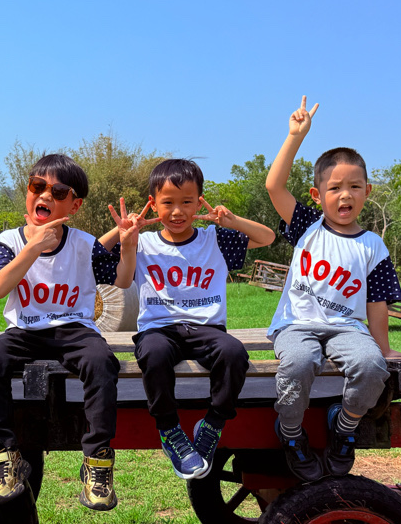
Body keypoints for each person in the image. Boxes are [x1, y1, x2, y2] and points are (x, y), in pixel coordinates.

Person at [0, 153, 131, 510]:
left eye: (58, 192)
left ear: (74, 205)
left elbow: (122, 280)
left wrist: (129, 244)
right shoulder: (10, 240)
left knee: (101, 362)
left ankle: (97, 462)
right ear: (28, 192)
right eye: (37, 186)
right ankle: (4, 458)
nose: (45, 195)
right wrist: (33, 247)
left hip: (75, 328)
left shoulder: (84, 244)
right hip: (25, 330)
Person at [105, 159, 275, 479]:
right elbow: (107, 266)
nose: (177, 211)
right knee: (153, 354)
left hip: (206, 328)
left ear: (199, 202)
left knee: (234, 353)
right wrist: (123, 234)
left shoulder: (215, 239)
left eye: (186, 202)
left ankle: (213, 423)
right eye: (168, 203)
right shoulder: (143, 243)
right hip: (159, 329)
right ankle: (169, 429)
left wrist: (233, 220)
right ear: (153, 204)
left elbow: (267, 237)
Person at [265, 97, 401, 482]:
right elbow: (274, 186)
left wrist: (384, 347)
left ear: (367, 191)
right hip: (296, 325)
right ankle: (290, 431)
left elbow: (377, 301)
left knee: (372, 367)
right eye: (335, 188)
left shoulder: (373, 245)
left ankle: (345, 426)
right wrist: (296, 136)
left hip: (347, 329)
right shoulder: (306, 225)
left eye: (355, 187)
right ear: (317, 195)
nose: (345, 195)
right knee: (297, 364)